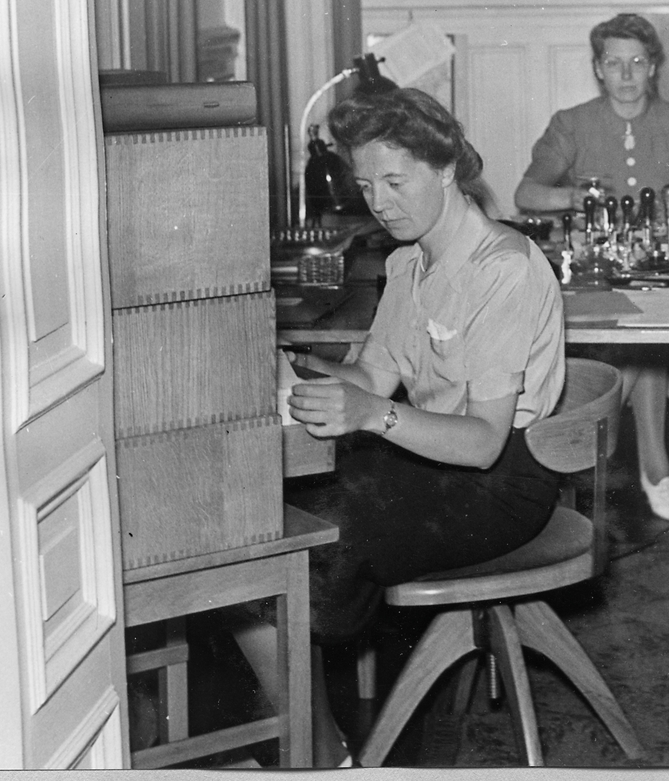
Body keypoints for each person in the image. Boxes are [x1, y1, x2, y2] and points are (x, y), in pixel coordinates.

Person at [234, 88, 566, 767]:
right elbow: (373, 377)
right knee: (251, 522)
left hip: (501, 484)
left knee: (302, 543)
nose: (378, 202)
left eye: (394, 181)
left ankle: (315, 754)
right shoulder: (408, 261)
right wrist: (289, 365)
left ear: (444, 170)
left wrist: (370, 415)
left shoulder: (502, 267)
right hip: (430, 459)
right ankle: (317, 747)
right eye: (366, 185)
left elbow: (482, 443)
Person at [514, 12, 669, 522]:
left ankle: (607, 447)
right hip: (594, 277)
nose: (626, 74)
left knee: (647, 336)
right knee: (639, 343)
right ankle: (654, 469)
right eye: (614, 63)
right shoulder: (571, 122)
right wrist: (575, 197)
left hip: (660, 276)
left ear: (653, 68)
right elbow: (527, 193)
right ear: (599, 68)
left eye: (637, 62)